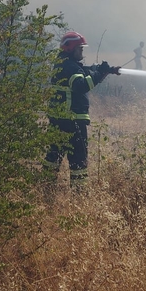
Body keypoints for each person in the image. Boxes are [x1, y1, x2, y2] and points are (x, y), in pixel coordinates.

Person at [43, 31, 121, 192]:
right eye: (80, 48)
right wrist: (99, 74)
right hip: (73, 122)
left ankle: (44, 189)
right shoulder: (70, 67)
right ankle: (80, 195)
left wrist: (104, 70)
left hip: (59, 121)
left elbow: (84, 71)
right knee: (78, 161)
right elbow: (81, 85)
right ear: (70, 48)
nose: (82, 52)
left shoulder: (63, 64)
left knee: (54, 156)